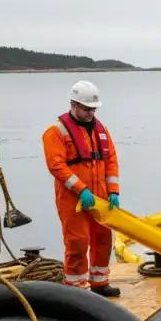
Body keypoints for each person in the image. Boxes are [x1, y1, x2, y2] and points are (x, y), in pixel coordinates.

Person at [42, 80, 121, 296]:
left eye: (93, 109)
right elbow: (56, 166)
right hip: (72, 198)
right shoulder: (56, 132)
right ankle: (77, 289)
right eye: (87, 109)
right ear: (74, 105)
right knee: (77, 242)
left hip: (101, 197)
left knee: (103, 239)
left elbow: (111, 161)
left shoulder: (101, 130)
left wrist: (113, 191)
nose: (91, 113)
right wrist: (81, 189)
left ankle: (100, 283)